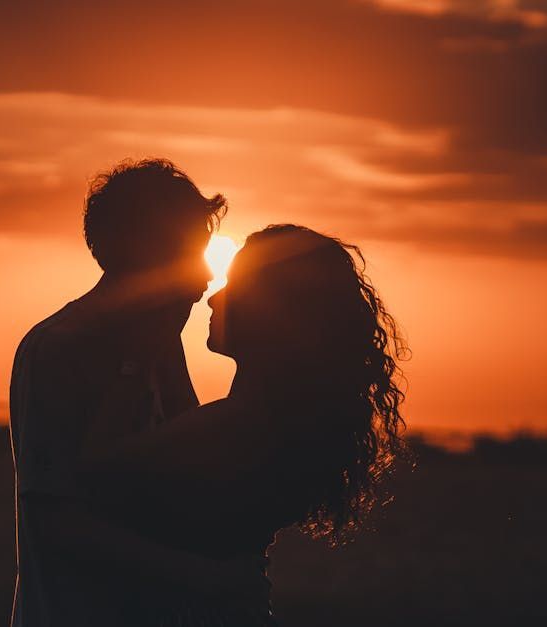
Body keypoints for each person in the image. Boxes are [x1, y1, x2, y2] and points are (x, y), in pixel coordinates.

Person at [76, 224, 410, 625]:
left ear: (269, 310)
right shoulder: (272, 421)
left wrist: (131, 362)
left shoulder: (235, 426)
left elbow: (95, 467)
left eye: (234, 286)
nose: (214, 298)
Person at [9, 159, 266, 627]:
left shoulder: (158, 344)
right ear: (147, 251)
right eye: (192, 251)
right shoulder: (59, 348)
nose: (208, 277)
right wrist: (206, 577)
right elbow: (55, 521)